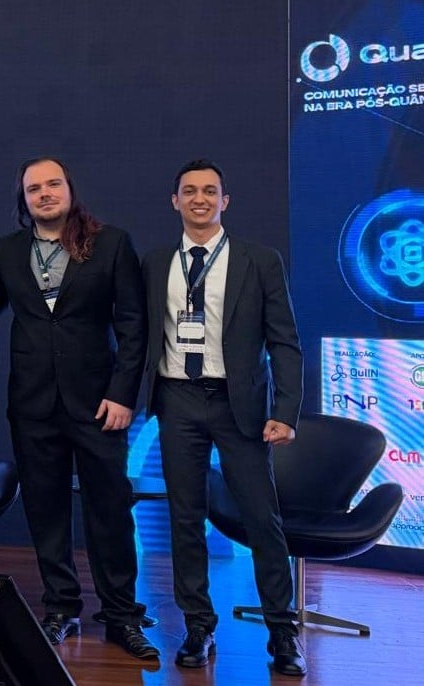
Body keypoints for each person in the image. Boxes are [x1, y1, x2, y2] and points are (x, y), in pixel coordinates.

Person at [0, 156, 158, 660]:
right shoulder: (9, 249)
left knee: (110, 510)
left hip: (99, 404)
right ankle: (60, 607)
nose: (44, 193)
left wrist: (123, 394)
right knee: (46, 510)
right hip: (32, 404)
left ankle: (121, 616)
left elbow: (133, 326)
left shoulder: (111, 243)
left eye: (52, 184)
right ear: (24, 200)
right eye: (33, 188)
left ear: (69, 189)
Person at [143, 159, 305, 676]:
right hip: (177, 400)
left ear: (225, 201)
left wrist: (285, 410)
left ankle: (283, 632)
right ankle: (198, 626)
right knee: (185, 518)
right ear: (175, 201)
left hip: (241, 404)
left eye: (210, 191)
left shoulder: (260, 261)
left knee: (262, 518)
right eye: (189, 191)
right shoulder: (155, 263)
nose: (200, 199)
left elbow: (284, 341)